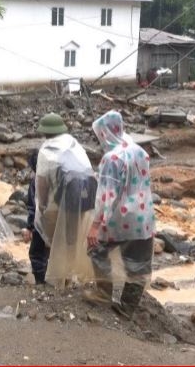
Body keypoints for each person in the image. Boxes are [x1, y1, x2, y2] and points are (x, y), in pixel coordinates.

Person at [84, 110, 156, 320]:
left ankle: (103, 294)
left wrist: (96, 225)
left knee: (96, 249)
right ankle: (127, 308)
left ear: (105, 133)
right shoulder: (139, 151)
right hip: (143, 218)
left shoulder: (111, 159)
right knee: (139, 264)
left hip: (120, 219)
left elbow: (107, 195)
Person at [34, 113, 96, 289]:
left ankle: (56, 281)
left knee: (54, 243)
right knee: (72, 240)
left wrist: (42, 205)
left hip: (57, 204)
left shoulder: (46, 151)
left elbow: (41, 182)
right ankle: (71, 277)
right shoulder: (75, 145)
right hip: (81, 202)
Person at [22, 149, 50, 285]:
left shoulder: (36, 181)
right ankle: (59, 281)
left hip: (42, 222)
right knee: (52, 251)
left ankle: (41, 283)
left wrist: (29, 227)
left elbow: (33, 206)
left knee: (36, 253)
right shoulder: (55, 176)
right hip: (58, 221)